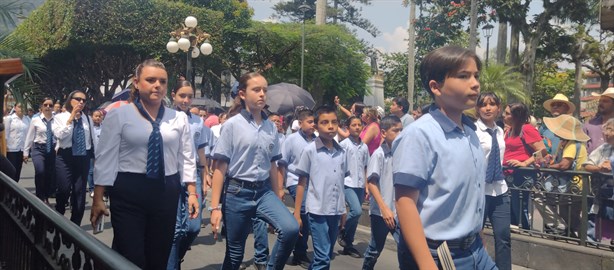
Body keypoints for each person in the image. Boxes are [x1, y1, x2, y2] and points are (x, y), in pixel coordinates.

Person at [393, 46, 496, 269]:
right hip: (442, 255)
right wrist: (426, 264)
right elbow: (405, 202)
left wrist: (476, 237)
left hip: (475, 250)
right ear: (436, 86)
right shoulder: (419, 134)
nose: (475, 83)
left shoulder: (470, 132)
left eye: (476, 75)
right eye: (463, 76)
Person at [90, 59, 198, 269]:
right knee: (132, 256)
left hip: (166, 191)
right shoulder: (119, 114)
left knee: (158, 256)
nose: (157, 85)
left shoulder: (178, 119)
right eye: (150, 80)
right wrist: (98, 197)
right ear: (136, 83)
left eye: (162, 81)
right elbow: (105, 157)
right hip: (129, 190)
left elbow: (186, 156)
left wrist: (192, 191)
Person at [209, 72, 299, 270]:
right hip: (237, 192)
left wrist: (278, 195)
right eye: (256, 90)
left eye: (264, 90)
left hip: (264, 192)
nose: (262, 94)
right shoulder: (232, 125)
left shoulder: (270, 127)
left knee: (290, 228)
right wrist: (215, 208)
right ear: (242, 93)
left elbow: (273, 165)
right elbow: (220, 168)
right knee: (235, 253)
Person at [294, 105, 349, 270]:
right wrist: (297, 214)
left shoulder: (342, 152)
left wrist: (343, 209)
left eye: (334, 122)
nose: (330, 126)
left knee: (326, 253)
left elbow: (340, 183)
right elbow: (301, 183)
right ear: (316, 127)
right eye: (325, 123)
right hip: (317, 210)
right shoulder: (310, 150)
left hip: (336, 210)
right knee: (323, 256)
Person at [167, 80, 212, 270]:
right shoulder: (166, 118)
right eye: (182, 96)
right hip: (171, 175)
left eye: (189, 96)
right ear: (173, 95)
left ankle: (177, 257)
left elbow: (201, 149)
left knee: (193, 227)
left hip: (193, 175)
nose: (186, 100)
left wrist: (206, 172)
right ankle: (171, 264)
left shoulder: (197, 121)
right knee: (176, 229)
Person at [361, 115, 403, 270]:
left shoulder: (402, 153)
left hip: (399, 211)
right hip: (381, 212)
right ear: (384, 133)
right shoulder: (379, 154)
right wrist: (384, 208)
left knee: (405, 248)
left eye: (401, 130)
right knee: (375, 248)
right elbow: (372, 183)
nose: (400, 134)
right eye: (396, 130)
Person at [475, 92, 511, 270]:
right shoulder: (473, 131)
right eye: (483, 104)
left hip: (500, 190)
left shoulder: (500, 130)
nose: (488, 108)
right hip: (479, 192)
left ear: (498, 108)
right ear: (478, 108)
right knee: (474, 237)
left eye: (492, 104)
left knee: (503, 236)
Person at [277, 108, 316, 268]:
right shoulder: (291, 139)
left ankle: (299, 248)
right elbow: (282, 164)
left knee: (309, 217)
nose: (313, 125)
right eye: (310, 122)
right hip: (295, 181)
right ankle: (299, 252)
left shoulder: (317, 140)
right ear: (300, 123)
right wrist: (279, 188)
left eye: (314, 122)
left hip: (313, 184)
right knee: (304, 214)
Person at [538, 114, 588, 235]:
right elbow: (557, 160)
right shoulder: (563, 143)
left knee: (539, 198)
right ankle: (572, 235)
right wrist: (549, 160)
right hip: (568, 186)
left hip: (574, 186)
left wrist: (548, 167)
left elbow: (564, 165)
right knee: (568, 214)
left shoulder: (572, 144)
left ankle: (577, 237)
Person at [502, 102, 547, 230]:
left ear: (515, 116)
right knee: (511, 210)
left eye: (507, 113)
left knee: (520, 210)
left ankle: (526, 237)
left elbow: (542, 151)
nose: (503, 116)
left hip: (521, 176)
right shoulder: (510, 130)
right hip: (509, 175)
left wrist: (524, 163)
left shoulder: (527, 129)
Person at [53, 91, 94, 225]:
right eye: (78, 99)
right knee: (64, 189)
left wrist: (97, 157)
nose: (81, 102)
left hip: (83, 156)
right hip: (65, 156)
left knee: (79, 192)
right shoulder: (60, 117)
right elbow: (60, 135)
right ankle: (58, 216)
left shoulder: (87, 119)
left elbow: (92, 139)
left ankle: (74, 226)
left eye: (84, 100)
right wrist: (71, 119)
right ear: (70, 100)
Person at [337, 116, 370, 258]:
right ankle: (341, 229)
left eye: (359, 125)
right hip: (347, 183)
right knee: (356, 211)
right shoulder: (344, 145)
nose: (357, 127)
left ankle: (348, 245)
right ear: (347, 128)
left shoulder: (364, 146)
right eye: (354, 125)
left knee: (356, 217)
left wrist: (367, 185)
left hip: (360, 184)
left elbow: (365, 166)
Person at [583, 118, 614, 243]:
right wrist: (599, 168)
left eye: (610, 130)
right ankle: (591, 242)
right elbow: (586, 165)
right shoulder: (603, 148)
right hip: (602, 192)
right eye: (605, 130)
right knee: (594, 216)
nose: (606, 133)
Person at [23, 98, 56, 204]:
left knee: (49, 173)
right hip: (38, 149)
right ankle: (40, 196)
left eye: (50, 105)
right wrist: (25, 152)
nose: (48, 107)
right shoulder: (35, 120)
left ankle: (46, 196)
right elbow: (29, 136)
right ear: (41, 107)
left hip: (52, 149)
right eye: (45, 105)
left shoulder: (56, 120)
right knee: (40, 171)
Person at [4, 103, 30, 182]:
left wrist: (26, 152)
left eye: (22, 107)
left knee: (18, 172)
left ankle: (14, 192)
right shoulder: (9, 119)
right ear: (15, 108)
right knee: (11, 172)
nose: (21, 109)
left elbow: (28, 137)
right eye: (19, 107)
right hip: (11, 149)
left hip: (21, 149)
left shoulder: (27, 119)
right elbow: (5, 135)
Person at [584, 87, 614, 154]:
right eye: (600, 101)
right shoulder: (589, 125)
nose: (601, 103)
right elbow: (582, 148)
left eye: (605, 101)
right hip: (591, 163)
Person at [87, 110, 104, 197]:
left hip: (101, 153)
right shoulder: (89, 127)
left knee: (101, 171)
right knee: (91, 171)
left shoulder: (104, 127)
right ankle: (91, 189)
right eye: (96, 116)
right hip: (92, 151)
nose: (98, 118)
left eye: (99, 116)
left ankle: (101, 189)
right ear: (92, 117)